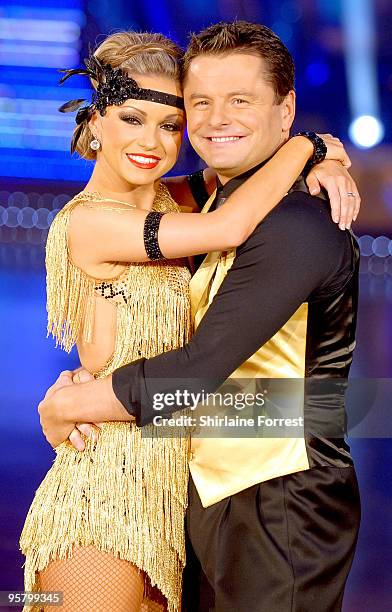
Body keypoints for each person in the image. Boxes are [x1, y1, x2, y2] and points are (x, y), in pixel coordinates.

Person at [31, 23, 360, 612]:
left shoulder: (200, 203)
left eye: (169, 122)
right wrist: (308, 149)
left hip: (198, 494)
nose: (155, 139)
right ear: (94, 122)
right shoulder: (107, 218)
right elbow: (226, 224)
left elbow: (240, 179)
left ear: (283, 109)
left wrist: (320, 151)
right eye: (200, 104)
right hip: (108, 483)